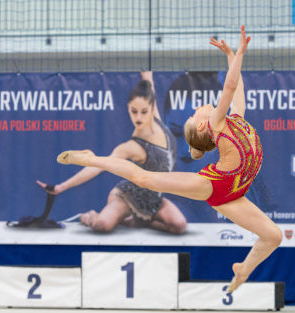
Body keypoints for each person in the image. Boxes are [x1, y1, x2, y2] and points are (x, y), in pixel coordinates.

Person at [56, 26, 282, 293]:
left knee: (273, 236)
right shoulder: (217, 124)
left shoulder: (235, 119)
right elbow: (230, 86)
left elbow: (238, 86)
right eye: (195, 114)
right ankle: (92, 159)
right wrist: (240, 53)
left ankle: (243, 269)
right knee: (144, 178)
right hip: (218, 187)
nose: (198, 107)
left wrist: (231, 55)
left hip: (237, 190)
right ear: (203, 127)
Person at [37, 72, 186, 234]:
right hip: (128, 198)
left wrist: (147, 75)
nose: (138, 117)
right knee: (102, 225)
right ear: (128, 110)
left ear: (151, 108)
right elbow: (98, 166)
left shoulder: (156, 120)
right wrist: (61, 187)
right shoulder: (131, 146)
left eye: (144, 111)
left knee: (179, 226)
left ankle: (139, 222)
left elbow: (151, 89)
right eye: (133, 111)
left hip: (154, 200)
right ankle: (91, 216)